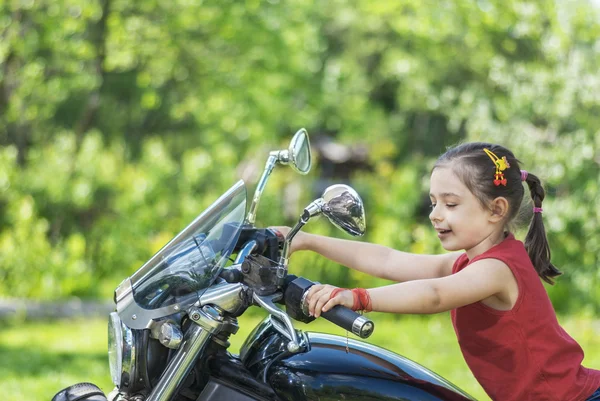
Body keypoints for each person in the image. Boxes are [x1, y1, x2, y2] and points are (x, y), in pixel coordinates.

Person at [272, 142, 600, 401]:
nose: (435, 214)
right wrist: (307, 240)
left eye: (450, 204)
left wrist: (356, 297)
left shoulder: (498, 270)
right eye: (433, 202)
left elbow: (435, 295)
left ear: (496, 210)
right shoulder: (466, 263)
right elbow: (388, 260)